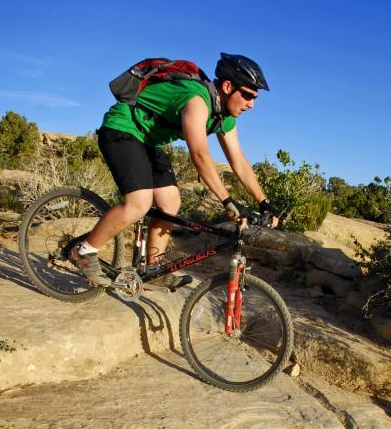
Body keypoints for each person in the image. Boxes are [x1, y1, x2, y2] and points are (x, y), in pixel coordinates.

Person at [68, 53, 279, 287]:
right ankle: (83, 252)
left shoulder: (224, 118)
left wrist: (264, 202)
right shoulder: (197, 101)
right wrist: (227, 201)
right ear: (228, 86)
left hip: (148, 140)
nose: (252, 104)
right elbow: (200, 156)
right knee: (139, 202)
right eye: (248, 95)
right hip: (123, 128)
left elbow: (238, 160)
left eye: (255, 98)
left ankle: (153, 268)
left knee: (170, 203)